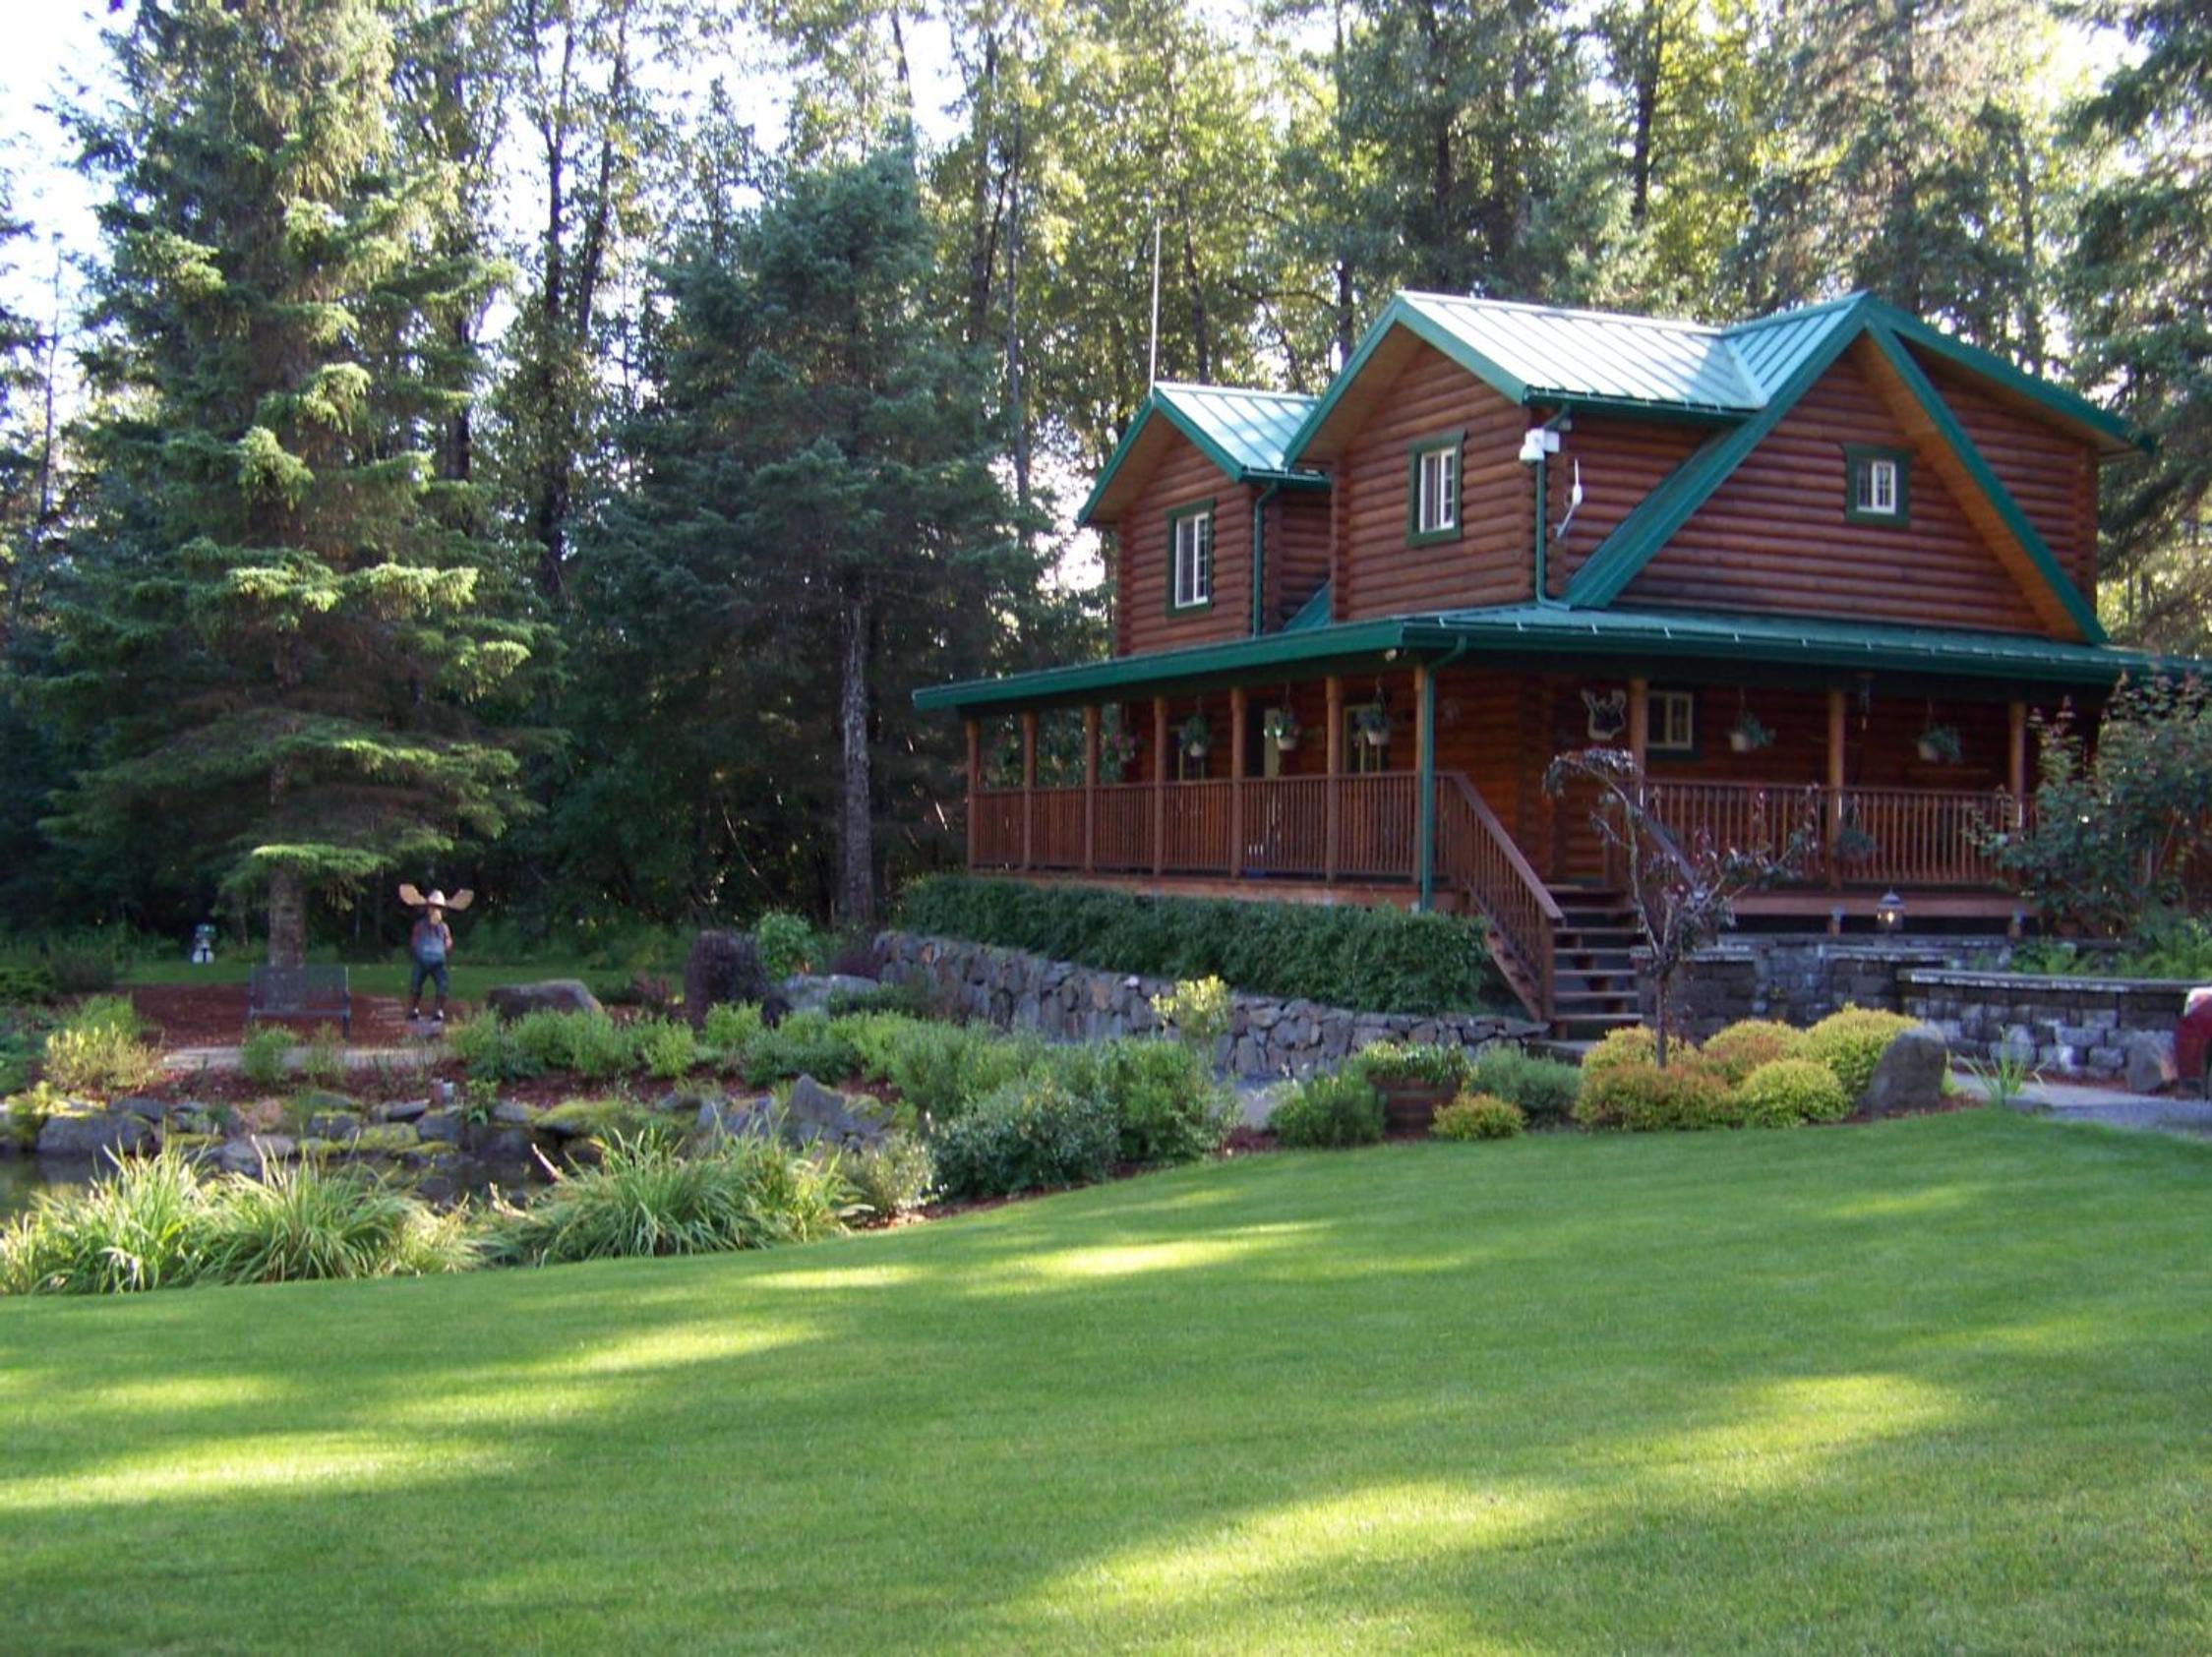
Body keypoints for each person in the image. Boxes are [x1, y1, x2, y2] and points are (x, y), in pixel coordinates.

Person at [397, 883, 473, 1022]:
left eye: (438, 908)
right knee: (415, 985)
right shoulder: (420, 925)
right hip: (422, 961)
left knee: (442, 985)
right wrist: (417, 951)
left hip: (438, 962)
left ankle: (438, 1010)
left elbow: (448, 941)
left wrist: (446, 949)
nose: (434, 910)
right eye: (432, 907)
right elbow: (414, 940)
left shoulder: (443, 927)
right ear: (427, 908)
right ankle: (413, 1008)